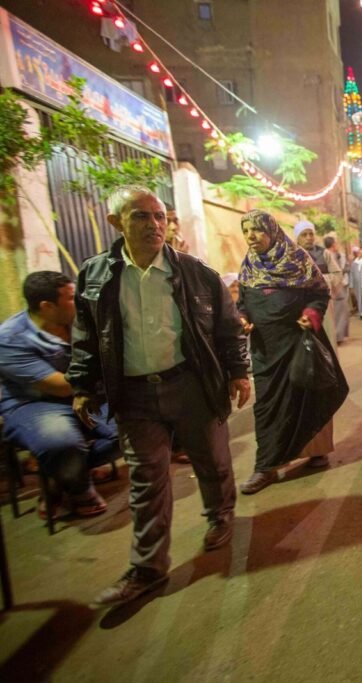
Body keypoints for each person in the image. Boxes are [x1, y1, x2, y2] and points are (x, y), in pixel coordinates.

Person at [68, 185, 250, 607]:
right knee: (147, 482)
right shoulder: (94, 275)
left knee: (213, 459)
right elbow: (86, 336)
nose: (154, 225)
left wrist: (239, 374)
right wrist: (82, 385)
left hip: (191, 385)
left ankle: (220, 515)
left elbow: (227, 327)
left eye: (159, 216)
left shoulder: (195, 272)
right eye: (140, 217)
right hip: (133, 394)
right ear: (116, 223)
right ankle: (148, 568)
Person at [235, 211, 348, 494]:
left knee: (308, 397)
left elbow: (320, 293)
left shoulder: (298, 260)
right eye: (246, 230)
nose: (251, 236)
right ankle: (266, 467)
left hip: (297, 345)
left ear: (272, 232)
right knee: (266, 408)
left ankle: (316, 450)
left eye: (257, 230)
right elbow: (243, 303)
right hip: (265, 351)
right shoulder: (248, 265)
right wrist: (243, 317)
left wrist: (311, 314)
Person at [0, 272, 115, 518]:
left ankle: (62, 474)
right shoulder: (9, 339)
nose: (80, 301)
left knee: (138, 427)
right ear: (47, 306)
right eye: (72, 298)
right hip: (35, 403)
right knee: (61, 443)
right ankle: (78, 485)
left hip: (87, 393)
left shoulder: (80, 320)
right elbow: (62, 386)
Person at [324, 235, 351, 344]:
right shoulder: (329, 255)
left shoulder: (327, 254)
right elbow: (337, 272)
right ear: (333, 244)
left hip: (333, 288)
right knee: (340, 313)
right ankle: (338, 336)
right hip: (337, 288)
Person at [350, 246, 362, 319]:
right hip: (358, 283)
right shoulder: (355, 262)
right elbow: (351, 273)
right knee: (359, 297)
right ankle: (361, 312)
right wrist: (351, 285)